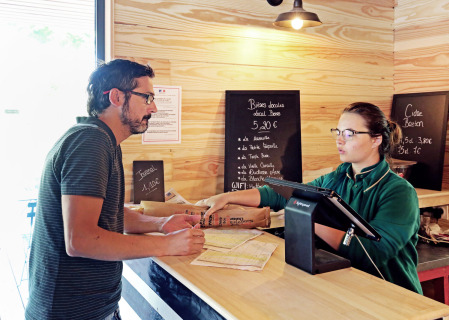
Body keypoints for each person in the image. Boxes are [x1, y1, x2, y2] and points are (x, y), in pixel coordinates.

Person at [25, 59, 205, 320]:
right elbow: (80, 240)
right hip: (71, 313)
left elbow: (106, 213)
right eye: (147, 98)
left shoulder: (102, 140)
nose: (153, 108)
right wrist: (166, 245)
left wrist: (162, 223)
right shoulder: (91, 142)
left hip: (94, 308)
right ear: (117, 97)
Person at [197, 102, 422, 294]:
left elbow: (374, 253)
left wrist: (307, 218)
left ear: (376, 140)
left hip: (391, 294)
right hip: (346, 288)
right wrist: (227, 197)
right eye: (338, 132)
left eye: (349, 134)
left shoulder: (399, 192)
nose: (339, 140)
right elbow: (282, 194)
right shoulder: (337, 177)